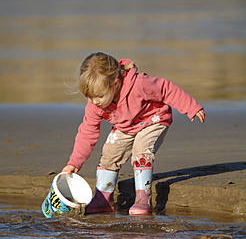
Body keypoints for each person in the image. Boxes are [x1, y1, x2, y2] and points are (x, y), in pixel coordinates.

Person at [62, 52, 205, 215]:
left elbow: (166, 89)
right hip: (125, 125)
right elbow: (87, 131)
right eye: (90, 97)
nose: (95, 102)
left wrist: (191, 107)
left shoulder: (139, 84)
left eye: (99, 96)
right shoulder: (96, 104)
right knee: (109, 154)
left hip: (153, 119)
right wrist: (74, 163)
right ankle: (103, 198)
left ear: (115, 84)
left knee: (141, 150)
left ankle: (143, 198)